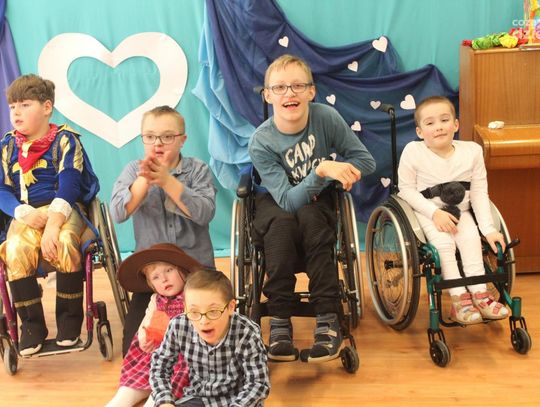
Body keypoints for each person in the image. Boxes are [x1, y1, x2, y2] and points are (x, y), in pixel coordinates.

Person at [248, 54, 376, 363]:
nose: (289, 93)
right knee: (281, 227)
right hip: (276, 200)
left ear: (311, 91)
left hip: (317, 201)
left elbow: (366, 161)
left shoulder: (326, 118)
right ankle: (280, 321)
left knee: (314, 222)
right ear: (267, 96)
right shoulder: (261, 141)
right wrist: (321, 171)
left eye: (297, 85)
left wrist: (340, 171)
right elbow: (287, 200)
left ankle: (328, 318)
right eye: (279, 87)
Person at [0, 74, 99, 355]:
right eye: (12, 106)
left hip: (63, 209)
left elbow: (70, 185)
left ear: (46, 107)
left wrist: (54, 225)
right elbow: (1, 190)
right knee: (15, 249)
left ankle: (69, 322)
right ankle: (32, 326)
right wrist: (22, 212)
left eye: (25, 105)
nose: (16, 112)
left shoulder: (66, 140)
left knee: (65, 243)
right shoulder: (7, 147)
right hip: (25, 213)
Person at [110, 106, 216, 356]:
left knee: (202, 345)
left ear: (182, 140)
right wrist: (145, 179)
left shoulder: (197, 170)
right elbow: (118, 213)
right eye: (150, 136)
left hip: (196, 272)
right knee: (134, 349)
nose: (158, 143)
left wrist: (168, 181)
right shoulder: (132, 171)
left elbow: (204, 213)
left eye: (167, 137)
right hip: (154, 279)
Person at [398, 95, 509, 325]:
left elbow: (479, 193)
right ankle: (459, 300)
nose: (438, 127)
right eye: (430, 123)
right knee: (443, 245)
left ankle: (480, 294)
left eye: (444, 120)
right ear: (420, 132)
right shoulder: (413, 151)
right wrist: (434, 213)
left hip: (461, 211)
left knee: (471, 241)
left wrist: (488, 229)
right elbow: (406, 190)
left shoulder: (472, 151)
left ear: (456, 124)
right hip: (427, 212)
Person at [150, 269, 270, 407]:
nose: (204, 321)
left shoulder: (247, 332)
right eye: (194, 312)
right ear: (185, 308)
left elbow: (257, 384)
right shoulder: (178, 326)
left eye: (213, 311)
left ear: (230, 307)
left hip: (239, 400)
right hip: (199, 398)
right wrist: (164, 401)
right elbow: (160, 366)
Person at [106, 243, 202, 407]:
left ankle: (157, 398)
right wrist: (144, 339)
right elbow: (146, 322)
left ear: (184, 271)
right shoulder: (155, 300)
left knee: (169, 383)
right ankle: (124, 397)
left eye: (169, 270)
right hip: (157, 353)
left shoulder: (193, 296)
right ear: (151, 284)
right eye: (156, 277)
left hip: (184, 355)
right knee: (134, 382)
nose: (164, 279)